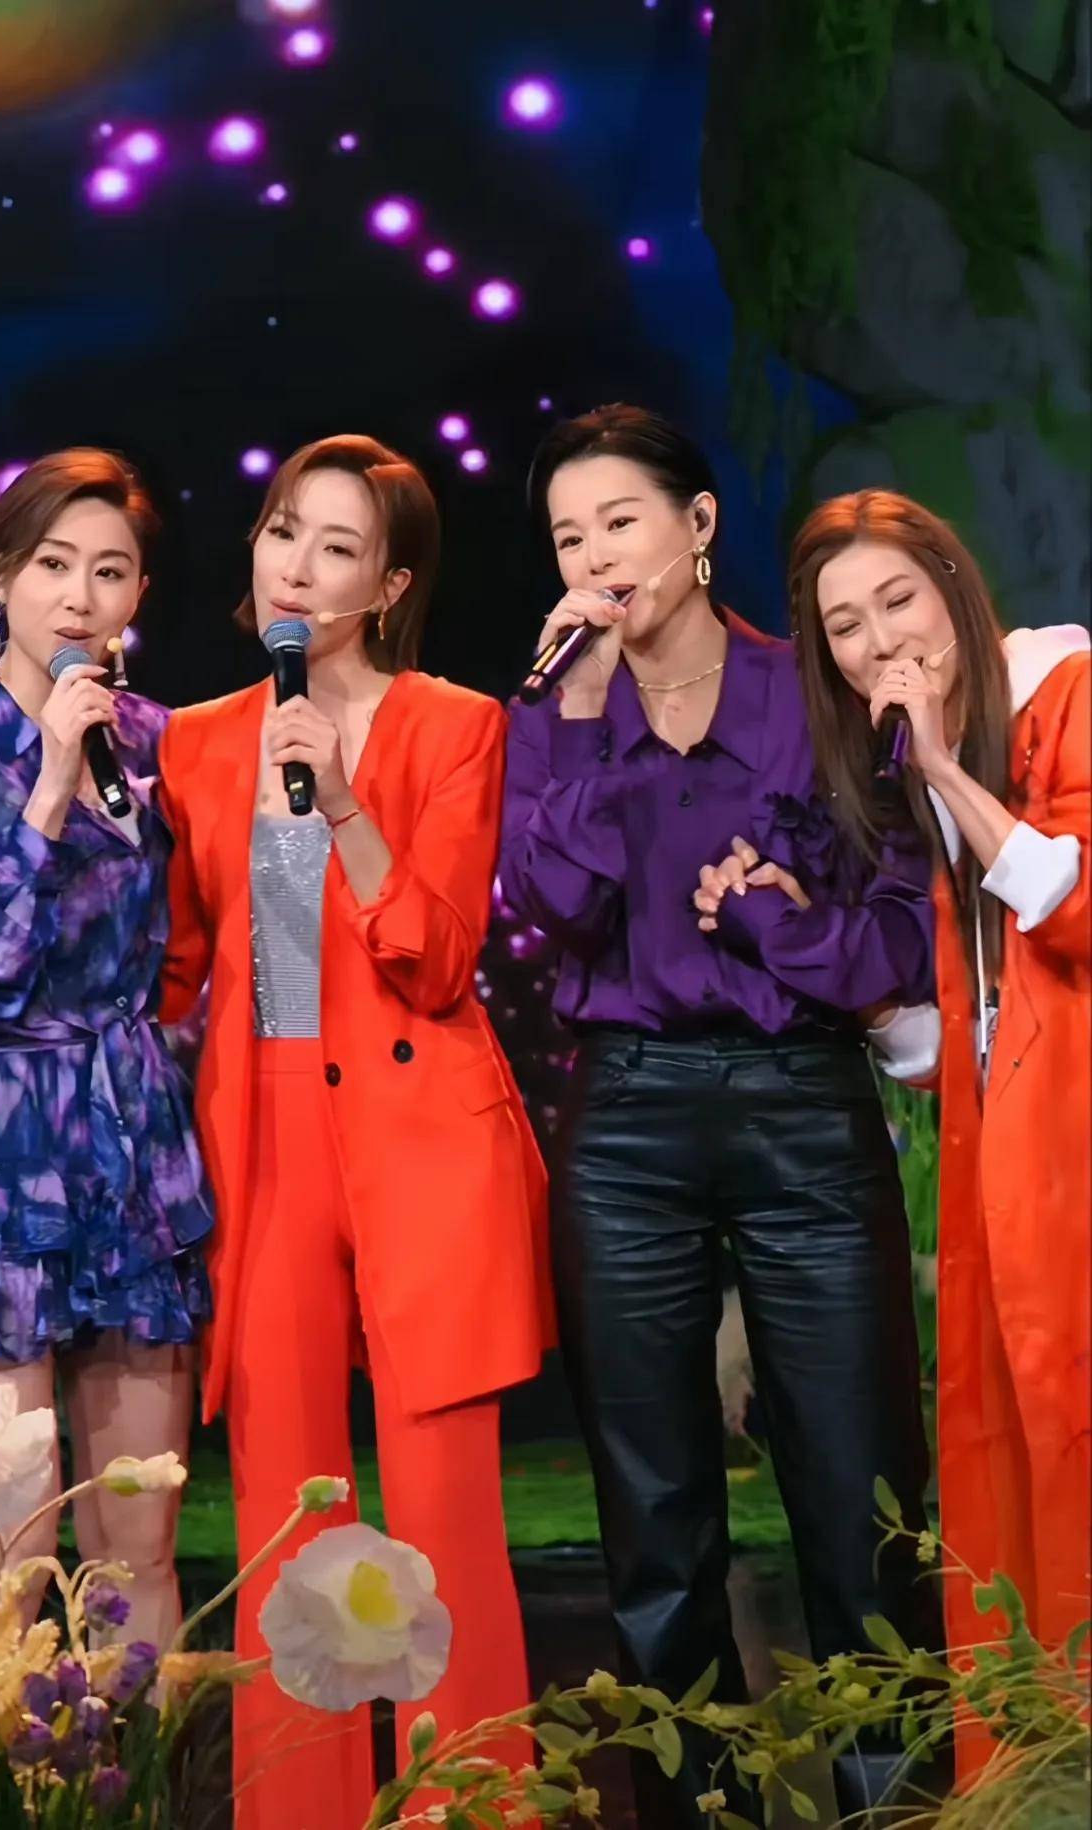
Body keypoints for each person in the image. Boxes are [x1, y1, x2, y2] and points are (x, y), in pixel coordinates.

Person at [500, 404, 944, 1827]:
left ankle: (897, 1805)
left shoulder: (811, 688)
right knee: (655, 1515)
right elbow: (550, 911)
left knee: (860, 1494)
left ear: (696, 526)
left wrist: (776, 923)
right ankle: (694, 1808)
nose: (593, 557)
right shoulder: (554, 710)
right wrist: (577, 718)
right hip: (626, 1122)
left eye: (619, 521)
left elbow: (894, 944)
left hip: (804, 1108)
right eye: (567, 536)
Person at [157, 433, 550, 1830]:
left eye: (337, 548)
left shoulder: (455, 725)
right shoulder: (194, 740)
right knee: (288, 1516)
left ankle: (476, 1806)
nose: (298, 566)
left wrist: (340, 797)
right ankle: (299, 1809)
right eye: (284, 531)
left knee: (445, 1515)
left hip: (422, 1141)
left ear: (386, 587)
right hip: (266, 1146)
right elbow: (182, 968)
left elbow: (436, 959)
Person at [788, 488, 1090, 1775]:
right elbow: (937, 1042)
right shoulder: (896, 770)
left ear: (954, 585)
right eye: (846, 626)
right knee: (997, 1453)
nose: (880, 644)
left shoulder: (1062, 688)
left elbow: (1074, 903)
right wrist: (800, 942)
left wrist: (949, 776)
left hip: (1076, 1143)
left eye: (898, 600)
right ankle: (1031, 1775)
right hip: (995, 1156)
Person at [0, 450, 212, 1695]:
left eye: (110, 571)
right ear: (0, 574)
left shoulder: (155, 743)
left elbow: (207, 939)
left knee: (136, 1544)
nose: (79, 598)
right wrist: (46, 786)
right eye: (52, 565)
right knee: (10, 1552)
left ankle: (136, 1783)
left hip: (126, 1150)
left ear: (140, 593)